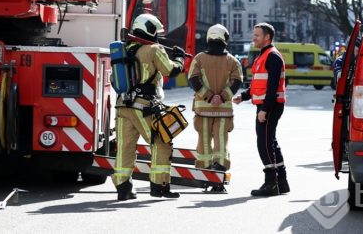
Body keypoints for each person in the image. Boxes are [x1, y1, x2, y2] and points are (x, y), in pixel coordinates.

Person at [112, 13, 186, 200]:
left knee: (124, 147)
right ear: (150, 30)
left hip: (122, 105)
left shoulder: (124, 49)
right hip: (143, 107)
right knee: (161, 143)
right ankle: (159, 186)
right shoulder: (154, 49)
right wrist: (180, 58)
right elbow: (170, 70)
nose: (157, 35)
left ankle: (123, 188)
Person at [232, 22, 288, 197]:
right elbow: (259, 85)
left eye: (257, 35)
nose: (253, 38)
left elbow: (271, 88)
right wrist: (244, 96)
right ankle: (282, 182)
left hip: (270, 106)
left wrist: (264, 109)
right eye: (253, 35)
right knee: (270, 141)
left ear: (267, 37)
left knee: (263, 143)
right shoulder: (263, 56)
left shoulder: (272, 56)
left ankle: (271, 183)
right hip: (268, 105)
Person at [187, 24, 243, 193]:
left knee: (203, 143)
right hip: (224, 112)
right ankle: (218, 176)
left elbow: (193, 80)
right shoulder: (233, 61)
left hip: (203, 110)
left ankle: (204, 177)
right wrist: (222, 97)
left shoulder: (199, 59)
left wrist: (210, 96)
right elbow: (237, 82)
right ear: (225, 39)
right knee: (221, 143)